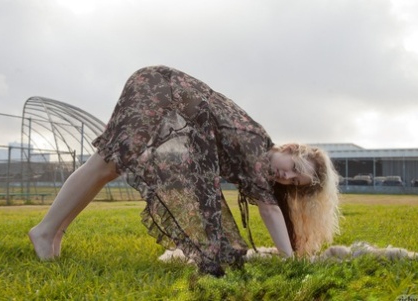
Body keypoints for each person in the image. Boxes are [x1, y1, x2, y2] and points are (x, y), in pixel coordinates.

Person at [29, 66, 340, 276]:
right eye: (293, 169)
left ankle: (54, 231)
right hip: (159, 87)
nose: (285, 178)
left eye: (294, 182)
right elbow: (269, 210)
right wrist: (290, 261)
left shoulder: (258, 153)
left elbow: (270, 205)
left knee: (106, 166)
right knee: (106, 162)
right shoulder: (256, 146)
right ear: (289, 149)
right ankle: (45, 231)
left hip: (163, 91)